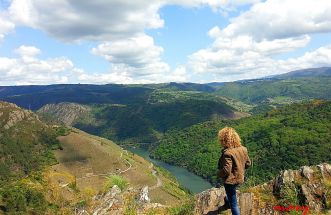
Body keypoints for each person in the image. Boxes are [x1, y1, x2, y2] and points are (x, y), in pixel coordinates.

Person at [217, 127, 251, 215]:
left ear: (224, 140)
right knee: (232, 193)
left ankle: (230, 202)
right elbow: (248, 164)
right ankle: (228, 200)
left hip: (230, 181)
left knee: (234, 204)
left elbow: (226, 170)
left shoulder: (227, 153)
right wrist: (239, 168)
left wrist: (219, 174)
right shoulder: (243, 149)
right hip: (240, 177)